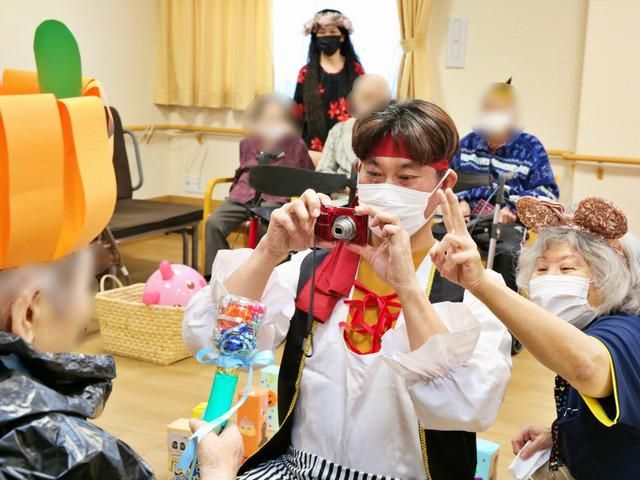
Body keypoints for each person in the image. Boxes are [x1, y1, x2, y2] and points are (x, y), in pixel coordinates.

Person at [184, 100, 512, 479]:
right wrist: (269, 250)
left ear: (445, 185)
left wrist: (407, 288)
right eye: (374, 173)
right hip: (298, 470)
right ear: (357, 173)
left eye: (407, 178)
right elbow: (215, 337)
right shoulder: (314, 268)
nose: (387, 189)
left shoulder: (469, 289)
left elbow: (470, 405)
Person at [431, 191, 640, 480]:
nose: (550, 278)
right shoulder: (586, 325)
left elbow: (586, 367)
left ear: (609, 276)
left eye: (567, 268)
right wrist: (560, 434)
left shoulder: (627, 331)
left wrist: (481, 283)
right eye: (541, 268)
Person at [0, 251, 244, 479]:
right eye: (83, 287)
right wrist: (218, 470)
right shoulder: (71, 452)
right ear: (28, 313)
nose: (85, 309)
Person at [450, 79, 559, 291]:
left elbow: (547, 193)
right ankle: (447, 304)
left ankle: (502, 308)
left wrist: (515, 209)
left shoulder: (531, 147)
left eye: (500, 110)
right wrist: (460, 201)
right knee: (441, 242)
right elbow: (448, 180)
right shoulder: (467, 144)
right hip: (466, 220)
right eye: (489, 109)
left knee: (509, 253)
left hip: (506, 223)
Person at [204, 94, 314, 275]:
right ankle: (216, 274)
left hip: (275, 198)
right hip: (243, 195)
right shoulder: (249, 143)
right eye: (266, 119)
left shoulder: (296, 145)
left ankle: (261, 275)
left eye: (277, 119)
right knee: (213, 223)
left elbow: (306, 175)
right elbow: (242, 170)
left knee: (269, 228)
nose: (271, 123)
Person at [294, 9, 364, 165]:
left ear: (342, 36)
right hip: (313, 151)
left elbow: (364, 109)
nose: (327, 36)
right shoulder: (306, 73)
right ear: (315, 37)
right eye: (322, 33)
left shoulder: (356, 70)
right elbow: (297, 114)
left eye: (332, 32)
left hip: (347, 149)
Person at [316, 73, 392, 177]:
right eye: (366, 98)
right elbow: (322, 171)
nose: (372, 105)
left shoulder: (392, 133)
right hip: (340, 187)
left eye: (378, 100)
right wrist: (342, 183)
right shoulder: (338, 131)